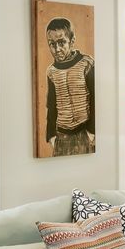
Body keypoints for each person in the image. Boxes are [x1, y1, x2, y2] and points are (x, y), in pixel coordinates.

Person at [44, 16, 94, 155]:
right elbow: (51, 105)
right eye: (52, 44)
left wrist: (92, 131)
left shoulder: (87, 64)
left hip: (84, 132)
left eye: (61, 42)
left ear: (72, 42)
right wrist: (51, 135)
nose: (57, 49)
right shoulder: (51, 71)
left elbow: (96, 98)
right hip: (61, 135)